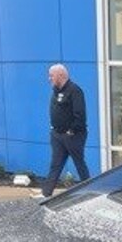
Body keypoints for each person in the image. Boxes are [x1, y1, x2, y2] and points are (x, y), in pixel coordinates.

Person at [41, 63, 89, 197]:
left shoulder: (74, 90)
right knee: (55, 165)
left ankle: (90, 192)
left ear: (61, 75)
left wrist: (71, 131)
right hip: (57, 135)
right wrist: (54, 129)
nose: (49, 79)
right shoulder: (56, 91)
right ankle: (46, 194)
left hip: (73, 136)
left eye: (51, 76)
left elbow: (80, 115)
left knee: (79, 164)